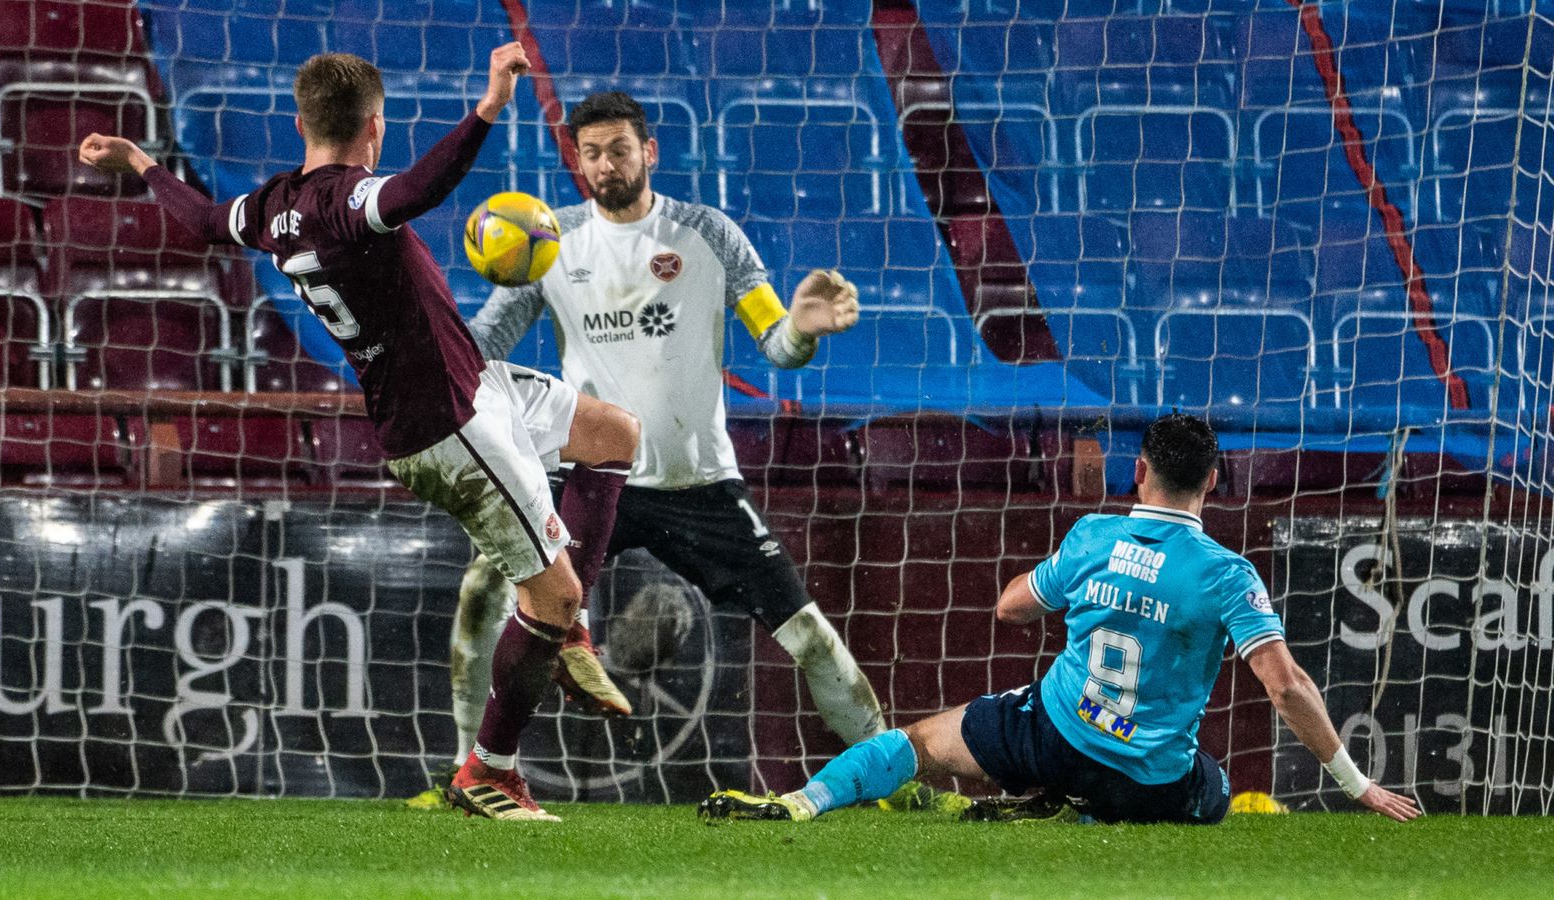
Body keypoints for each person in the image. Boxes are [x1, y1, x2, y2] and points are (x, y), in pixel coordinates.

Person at [79, 45, 641, 822]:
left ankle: (564, 630)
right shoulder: (350, 202)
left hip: (473, 383)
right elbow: (422, 187)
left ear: (301, 121)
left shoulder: (275, 206)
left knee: (613, 432)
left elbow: (205, 220)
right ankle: (490, 770)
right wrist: (487, 105)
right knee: (552, 595)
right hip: (449, 424)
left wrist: (140, 161)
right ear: (374, 127)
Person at [408, 90, 954, 811]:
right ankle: (463, 774)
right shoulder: (546, 242)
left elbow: (778, 344)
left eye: (620, 150)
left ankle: (898, 789)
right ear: (578, 159)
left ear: (649, 152)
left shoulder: (708, 234)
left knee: (812, 639)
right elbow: (480, 349)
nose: (606, 165)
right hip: (590, 479)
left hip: (698, 483)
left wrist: (807, 327)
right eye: (592, 153)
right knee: (483, 593)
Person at [701, 413, 1422, 825]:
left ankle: (803, 801)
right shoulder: (1228, 575)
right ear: (1211, 480)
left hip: (1053, 736)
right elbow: (1286, 686)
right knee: (1218, 791)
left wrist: (1074, 584)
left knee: (917, 742)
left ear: (1138, 471)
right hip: (1149, 782)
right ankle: (1072, 807)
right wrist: (1357, 785)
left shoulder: (1093, 538)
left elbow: (1011, 606)